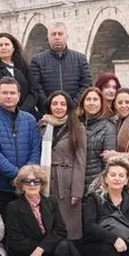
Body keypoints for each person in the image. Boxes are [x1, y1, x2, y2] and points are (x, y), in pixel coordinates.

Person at [4, 165, 80, 256]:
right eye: (27, 181)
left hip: (49, 251)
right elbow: (15, 239)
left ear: (42, 184)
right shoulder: (13, 207)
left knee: (64, 246)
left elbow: (61, 230)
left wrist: (41, 249)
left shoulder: (51, 202)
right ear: (21, 185)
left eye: (36, 181)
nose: (32, 184)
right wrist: (36, 251)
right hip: (27, 255)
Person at [0, 78, 41, 212]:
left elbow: (36, 149)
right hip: (0, 187)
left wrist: (26, 176)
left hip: (28, 186)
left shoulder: (30, 120)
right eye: (5, 93)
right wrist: (16, 175)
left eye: (12, 93)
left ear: (19, 96)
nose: (9, 96)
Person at [40, 91, 86, 243]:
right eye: (55, 103)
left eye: (62, 104)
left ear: (68, 107)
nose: (58, 107)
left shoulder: (77, 128)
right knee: (49, 229)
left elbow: (80, 161)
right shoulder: (42, 125)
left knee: (69, 231)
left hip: (66, 184)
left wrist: (77, 191)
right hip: (46, 181)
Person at [29, 22, 92, 111]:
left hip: (75, 113)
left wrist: (73, 105)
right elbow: (36, 87)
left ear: (67, 36)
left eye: (60, 34)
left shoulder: (80, 59)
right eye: (53, 34)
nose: (57, 37)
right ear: (48, 37)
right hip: (49, 113)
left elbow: (86, 84)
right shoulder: (37, 60)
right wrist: (50, 106)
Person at [0, 33, 37, 115]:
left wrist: (24, 110)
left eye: (7, 44)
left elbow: (34, 90)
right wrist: (9, 110)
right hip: (1, 114)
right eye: (0, 45)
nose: (4, 47)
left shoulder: (23, 65)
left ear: (13, 48)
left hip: (27, 113)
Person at [79, 88, 117, 185]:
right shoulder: (76, 124)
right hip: (77, 181)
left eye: (95, 99)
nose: (91, 103)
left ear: (101, 103)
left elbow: (108, 162)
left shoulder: (108, 127)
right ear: (83, 102)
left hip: (97, 182)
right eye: (88, 99)